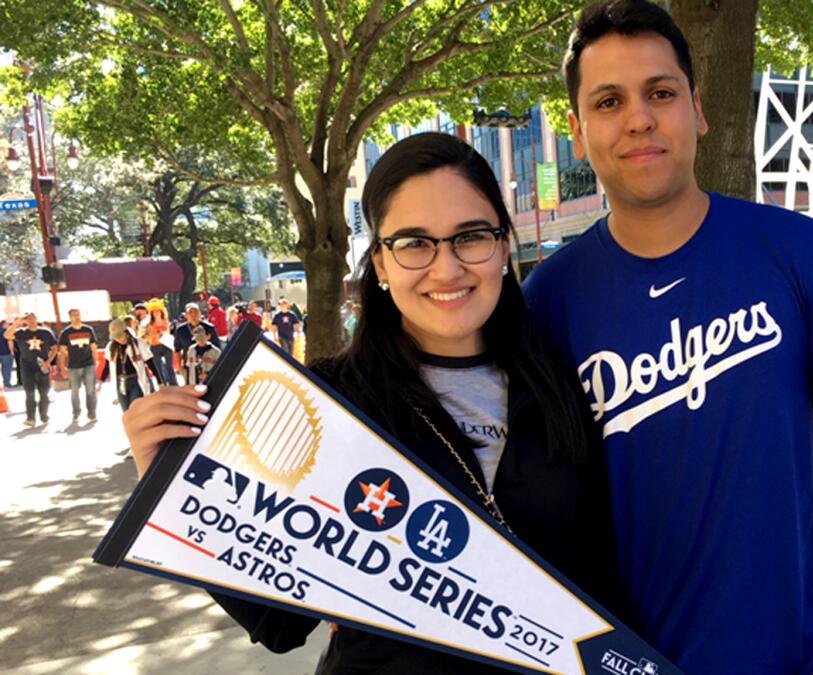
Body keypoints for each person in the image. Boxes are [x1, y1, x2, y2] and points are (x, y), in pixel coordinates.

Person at [521, 4, 813, 674]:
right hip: (636, 663)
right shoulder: (547, 300)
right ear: (577, 130)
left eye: (660, 92)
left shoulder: (797, 250)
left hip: (809, 648)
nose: (638, 119)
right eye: (608, 101)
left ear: (698, 109)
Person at [119, 132, 631, 672]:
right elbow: (280, 624)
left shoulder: (562, 382)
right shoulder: (327, 402)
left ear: (503, 246)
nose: (447, 267)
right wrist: (166, 480)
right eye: (414, 243)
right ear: (380, 265)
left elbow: (598, 578)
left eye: (471, 236)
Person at [5, 313, 58, 427]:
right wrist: (17, 323)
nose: (31, 321)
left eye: (33, 318)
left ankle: (44, 415)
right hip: (27, 366)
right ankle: (30, 418)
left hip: (42, 365)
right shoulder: (21, 332)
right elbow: (7, 335)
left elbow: (54, 348)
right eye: (28, 319)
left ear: (36, 319)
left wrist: (48, 362)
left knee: (44, 393)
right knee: (29, 393)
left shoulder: (45, 332)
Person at [58, 308, 100, 423]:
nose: (77, 317)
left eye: (78, 315)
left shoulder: (88, 329)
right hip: (73, 366)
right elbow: (62, 351)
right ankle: (76, 413)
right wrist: (63, 367)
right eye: (74, 315)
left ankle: (92, 413)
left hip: (88, 364)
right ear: (70, 317)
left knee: (90, 390)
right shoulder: (66, 333)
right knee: (74, 392)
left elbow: (93, 347)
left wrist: (95, 360)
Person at [103, 319, 155, 411]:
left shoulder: (138, 344)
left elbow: (150, 362)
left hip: (135, 381)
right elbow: (107, 365)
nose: (119, 339)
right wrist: (100, 382)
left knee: (135, 409)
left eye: (120, 336)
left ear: (126, 332)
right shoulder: (111, 347)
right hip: (120, 383)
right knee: (126, 412)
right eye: (116, 337)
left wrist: (159, 381)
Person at [146, 301, 178, 386]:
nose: (156, 313)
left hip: (166, 345)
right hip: (154, 346)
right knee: (159, 367)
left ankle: (173, 384)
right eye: (154, 312)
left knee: (169, 366)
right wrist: (155, 335)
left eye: (158, 311)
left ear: (161, 312)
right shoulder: (149, 324)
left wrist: (161, 334)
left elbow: (167, 332)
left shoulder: (165, 322)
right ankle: (164, 384)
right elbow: (147, 335)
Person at [0, 319, 14, 388]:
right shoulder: (7, 332)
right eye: (7, 324)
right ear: (4, 324)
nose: (8, 325)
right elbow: (10, 342)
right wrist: (11, 351)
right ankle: (7, 383)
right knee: (6, 369)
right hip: (6, 353)